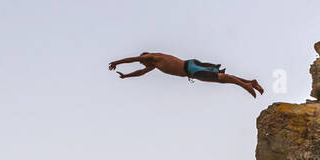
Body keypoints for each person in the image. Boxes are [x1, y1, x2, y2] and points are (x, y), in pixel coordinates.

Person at [108, 52, 264, 98]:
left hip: (190, 69)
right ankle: (251, 82)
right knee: (220, 76)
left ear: (145, 57)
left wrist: (116, 62)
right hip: (191, 67)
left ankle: (245, 85)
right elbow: (141, 72)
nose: (144, 65)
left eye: (144, 62)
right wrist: (126, 76)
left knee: (220, 79)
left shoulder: (152, 57)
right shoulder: (153, 65)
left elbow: (132, 59)